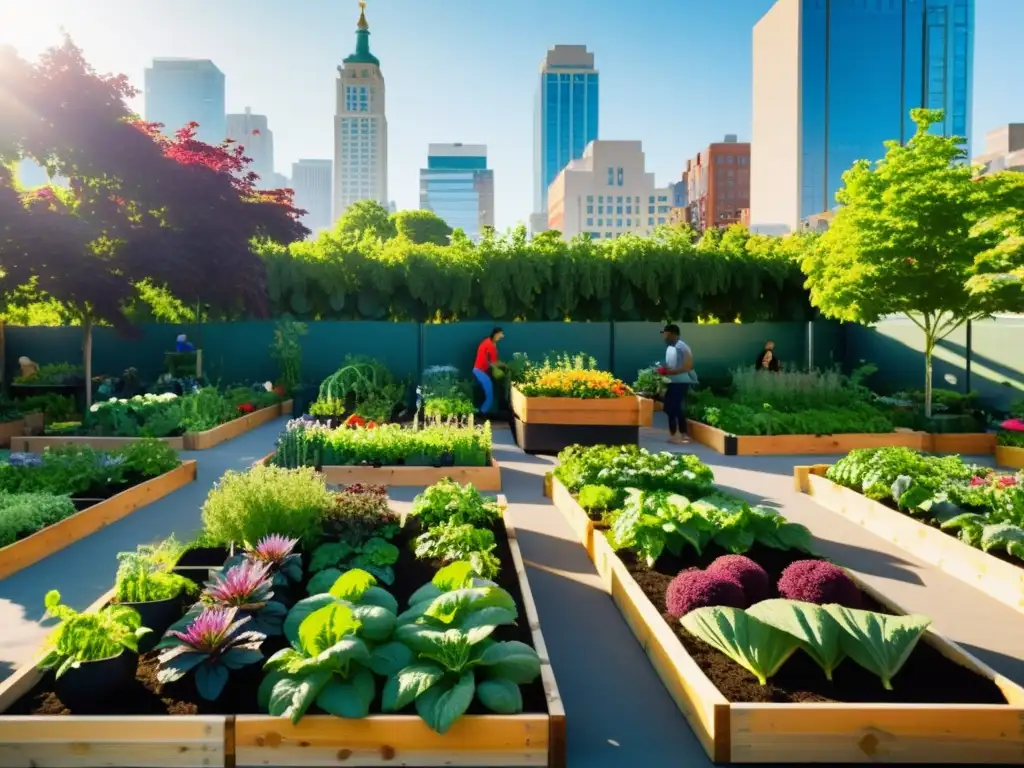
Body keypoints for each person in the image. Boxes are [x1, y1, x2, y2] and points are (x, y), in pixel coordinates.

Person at [657, 324, 695, 444]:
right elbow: (671, 365)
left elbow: (688, 367)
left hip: (682, 382)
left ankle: (683, 435)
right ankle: (675, 434)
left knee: (675, 407)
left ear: (673, 334)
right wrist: (663, 370)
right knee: (669, 407)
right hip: (672, 382)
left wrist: (670, 372)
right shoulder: (671, 348)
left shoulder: (682, 347)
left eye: (666, 334)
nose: (664, 337)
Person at [472, 327, 504, 414]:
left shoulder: (487, 342)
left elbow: (490, 361)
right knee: (490, 396)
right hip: (480, 371)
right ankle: (481, 413)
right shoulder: (491, 346)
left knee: (486, 394)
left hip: (478, 370)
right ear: (496, 334)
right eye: (501, 334)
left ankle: (480, 412)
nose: (502, 336)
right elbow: (494, 362)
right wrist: (505, 365)